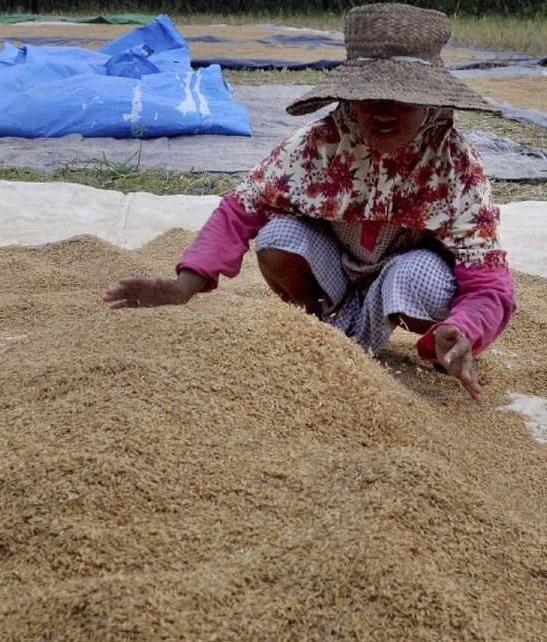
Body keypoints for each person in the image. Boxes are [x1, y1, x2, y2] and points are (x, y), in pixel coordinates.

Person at [102, 2, 515, 401]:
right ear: (348, 96)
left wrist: (464, 328)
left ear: (431, 100)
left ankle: (441, 348)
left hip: (407, 277)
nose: (384, 112)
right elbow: (241, 209)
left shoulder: (455, 163)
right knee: (278, 235)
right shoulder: (318, 145)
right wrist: (183, 286)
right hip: (336, 262)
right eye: (368, 95)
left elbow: (489, 282)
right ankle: (314, 327)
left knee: (414, 273)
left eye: (402, 98)